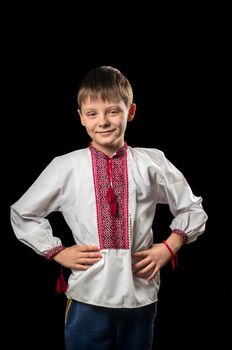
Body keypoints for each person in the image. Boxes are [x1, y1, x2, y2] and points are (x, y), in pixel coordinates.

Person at [10, 65, 208, 350]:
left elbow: (192, 209)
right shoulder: (65, 167)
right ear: (81, 118)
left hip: (140, 297)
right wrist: (58, 252)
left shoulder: (151, 163)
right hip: (87, 299)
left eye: (113, 111)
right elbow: (23, 213)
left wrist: (169, 246)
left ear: (131, 112)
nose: (103, 121)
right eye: (92, 114)